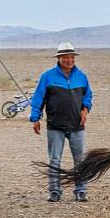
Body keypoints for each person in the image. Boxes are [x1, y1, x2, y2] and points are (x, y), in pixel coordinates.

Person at [30, 42, 93, 202]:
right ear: (59, 58)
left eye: (71, 57)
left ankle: (81, 190)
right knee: (55, 159)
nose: (69, 60)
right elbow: (38, 98)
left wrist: (85, 109)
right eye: (65, 57)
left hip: (77, 126)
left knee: (79, 159)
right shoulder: (48, 76)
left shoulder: (81, 76)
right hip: (55, 125)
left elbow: (88, 96)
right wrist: (35, 118)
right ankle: (54, 191)